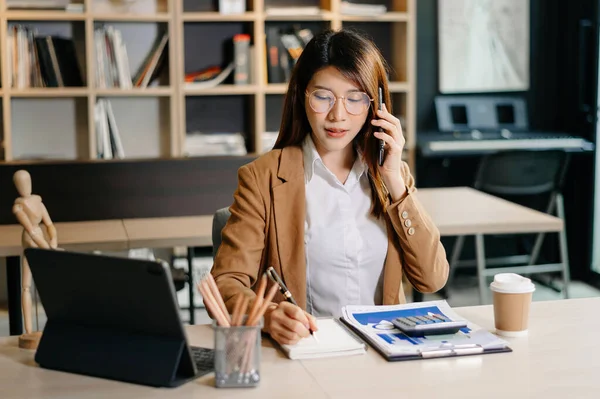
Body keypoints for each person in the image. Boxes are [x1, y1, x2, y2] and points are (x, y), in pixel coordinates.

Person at [211, 28, 449, 345]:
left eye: (355, 99)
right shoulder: (264, 176)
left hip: (383, 352)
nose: (338, 115)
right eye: (323, 97)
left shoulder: (391, 175)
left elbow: (432, 278)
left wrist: (394, 180)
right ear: (302, 96)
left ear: (375, 105)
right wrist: (269, 316)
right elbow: (226, 283)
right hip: (309, 350)